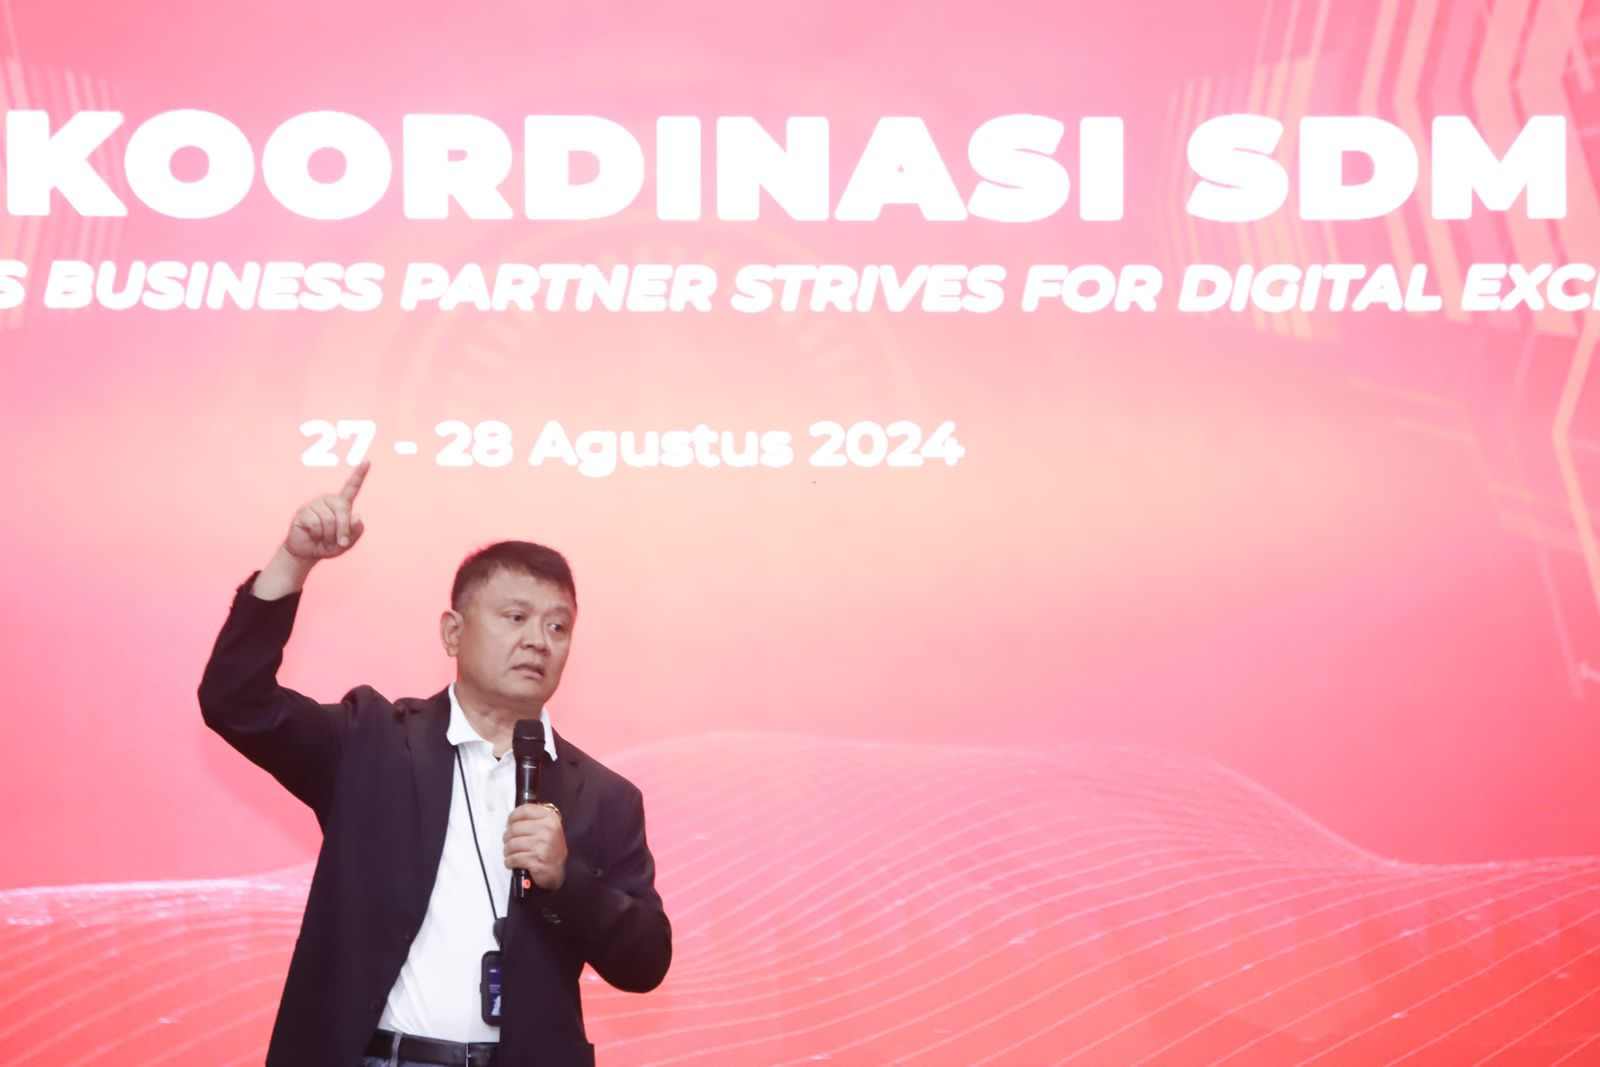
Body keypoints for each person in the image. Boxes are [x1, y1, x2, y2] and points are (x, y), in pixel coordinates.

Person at [198, 460, 671, 1067]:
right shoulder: (371, 742)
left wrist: (567, 878)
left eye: (558, 626)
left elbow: (645, 963)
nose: (539, 640)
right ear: (452, 633)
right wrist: (294, 562)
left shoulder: (604, 797)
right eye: (515, 617)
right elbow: (234, 700)